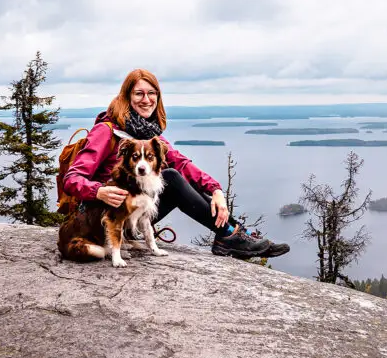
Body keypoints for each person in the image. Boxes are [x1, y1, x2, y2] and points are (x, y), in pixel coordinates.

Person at [62, 69, 290, 259]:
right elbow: (72, 179)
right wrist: (98, 191)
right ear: (126, 97)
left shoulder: (149, 136)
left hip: (134, 215)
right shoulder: (106, 131)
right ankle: (229, 235)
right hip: (106, 218)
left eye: (152, 93)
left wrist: (215, 189)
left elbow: (182, 164)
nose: (146, 99)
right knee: (169, 177)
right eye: (139, 93)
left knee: (172, 175)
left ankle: (233, 232)